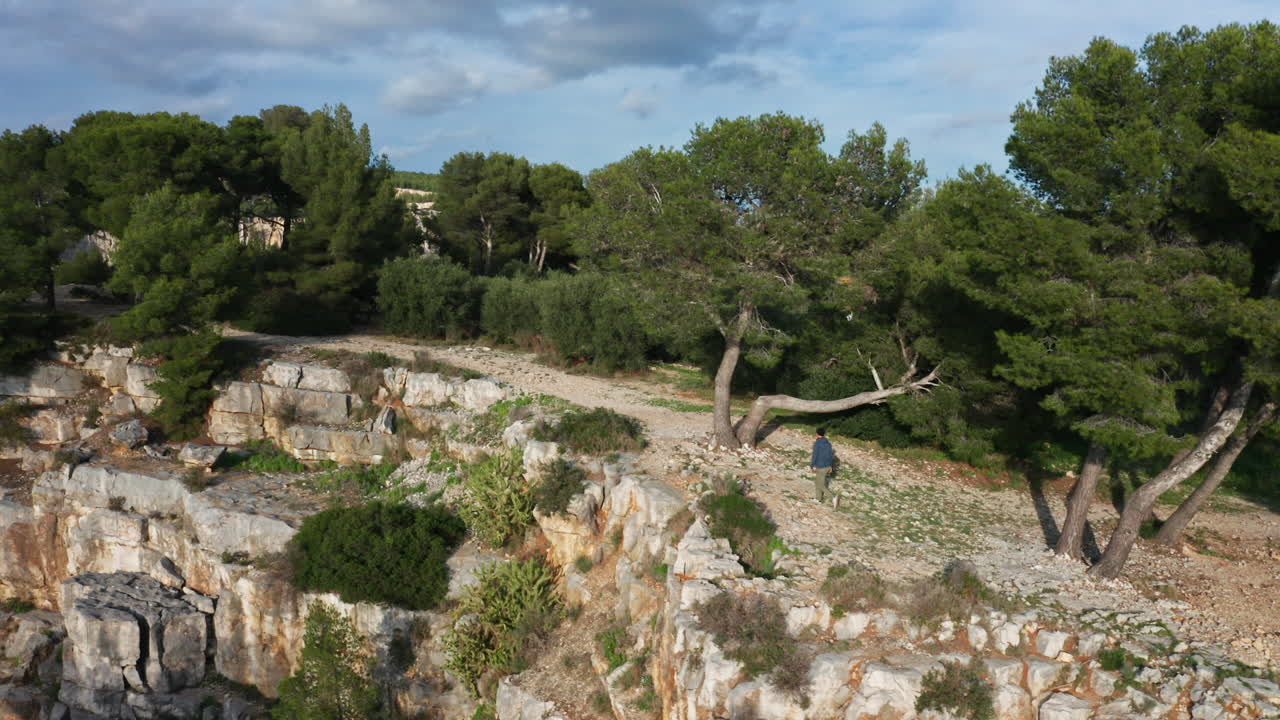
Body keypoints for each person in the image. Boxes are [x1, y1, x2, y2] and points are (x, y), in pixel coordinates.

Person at [810, 427, 835, 504]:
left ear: (817, 434)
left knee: (820, 484)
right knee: (818, 482)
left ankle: (833, 498)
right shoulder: (828, 443)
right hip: (827, 466)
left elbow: (815, 455)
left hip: (820, 466)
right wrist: (830, 466)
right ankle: (818, 499)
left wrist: (812, 465)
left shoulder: (817, 443)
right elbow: (831, 455)